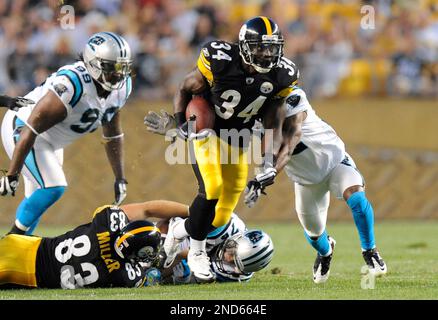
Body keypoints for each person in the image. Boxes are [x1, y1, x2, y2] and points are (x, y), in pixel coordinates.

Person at [144, 16, 298, 283]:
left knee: (225, 210)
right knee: (212, 188)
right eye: (260, 47)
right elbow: (183, 88)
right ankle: (197, 252)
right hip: (206, 128)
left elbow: (273, 121)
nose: (266, 54)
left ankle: (180, 229)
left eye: (272, 48)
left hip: (238, 138)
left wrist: (268, 162)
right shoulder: (221, 61)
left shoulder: (282, 75)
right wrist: (181, 125)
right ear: (244, 46)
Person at [244, 85, 387, 284]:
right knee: (314, 233)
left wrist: (272, 170)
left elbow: (290, 140)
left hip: (334, 163)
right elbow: (266, 155)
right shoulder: (254, 118)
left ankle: (370, 250)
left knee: (356, 198)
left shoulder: (293, 97)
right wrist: (261, 178)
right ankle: (326, 251)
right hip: (306, 181)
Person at [0, 32, 133, 235]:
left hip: (50, 141)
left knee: (37, 198)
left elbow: (113, 134)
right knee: (54, 186)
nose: (118, 75)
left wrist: (120, 178)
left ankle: (16, 248)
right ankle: (11, 243)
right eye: (111, 68)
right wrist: (12, 174)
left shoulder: (122, 89)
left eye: (121, 68)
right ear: (93, 64)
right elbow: (32, 127)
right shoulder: (72, 85)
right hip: (23, 127)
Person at [0, 200, 189, 289]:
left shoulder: (106, 222)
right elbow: (154, 277)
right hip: (25, 274)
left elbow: (147, 208)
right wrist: (181, 255)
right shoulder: (125, 277)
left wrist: (192, 211)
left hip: (25, 244)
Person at [160, 215, 274, 284]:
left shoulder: (238, 275)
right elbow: (173, 219)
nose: (228, 259)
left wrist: (184, 278)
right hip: (178, 236)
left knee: (177, 274)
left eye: (235, 263)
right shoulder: (224, 226)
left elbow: (196, 279)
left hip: (189, 256)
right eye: (233, 252)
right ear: (237, 238)